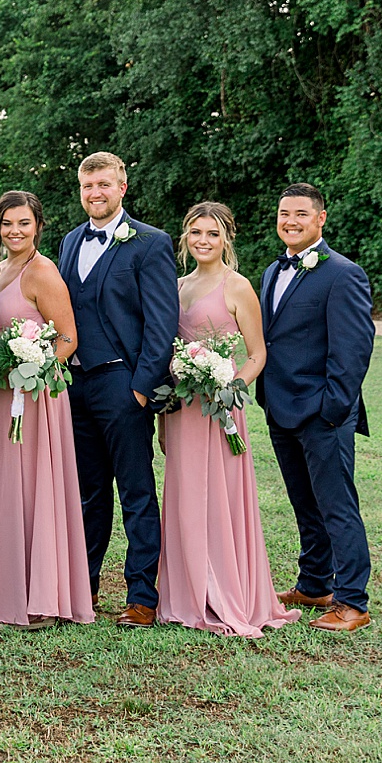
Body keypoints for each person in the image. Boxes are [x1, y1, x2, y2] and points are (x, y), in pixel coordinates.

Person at [156, 203, 298, 638]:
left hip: (221, 408)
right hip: (182, 408)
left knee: (219, 496)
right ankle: (187, 593)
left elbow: (257, 354)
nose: (203, 240)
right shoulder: (176, 287)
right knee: (183, 494)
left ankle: (225, 593)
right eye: (196, 232)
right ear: (185, 237)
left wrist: (230, 384)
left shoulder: (237, 288)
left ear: (226, 240)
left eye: (212, 234)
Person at [57, 151, 178, 627]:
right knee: (87, 493)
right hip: (76, 387)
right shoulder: (69, 242)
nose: (95, 194)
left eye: (104, 185)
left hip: (122, 384)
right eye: (88, 186)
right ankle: (84, 587)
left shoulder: (150, 243)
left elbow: (161, 320)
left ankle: (141, 595)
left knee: (136, 492)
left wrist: (142, 388)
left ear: (121, 188)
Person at [0, 190, 93, 629]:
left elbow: (67, 339)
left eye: (23, 223)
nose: (14, 231)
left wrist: (29, 367)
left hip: (33, 399)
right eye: (7, 224)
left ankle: (36, 596)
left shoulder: (43, 273)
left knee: (27, 485)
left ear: (38, 225)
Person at [258, 183, 376, 632]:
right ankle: (313, 584)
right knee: (305, 504)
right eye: (284, 213)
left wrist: (332, 410)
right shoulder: (271, 271)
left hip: (323, 413)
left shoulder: (343, 274)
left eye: (301, 214)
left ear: (320, 219)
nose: (290, 221)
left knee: (337, 506)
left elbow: (353, 350)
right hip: (281, 408)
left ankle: (352, 603)